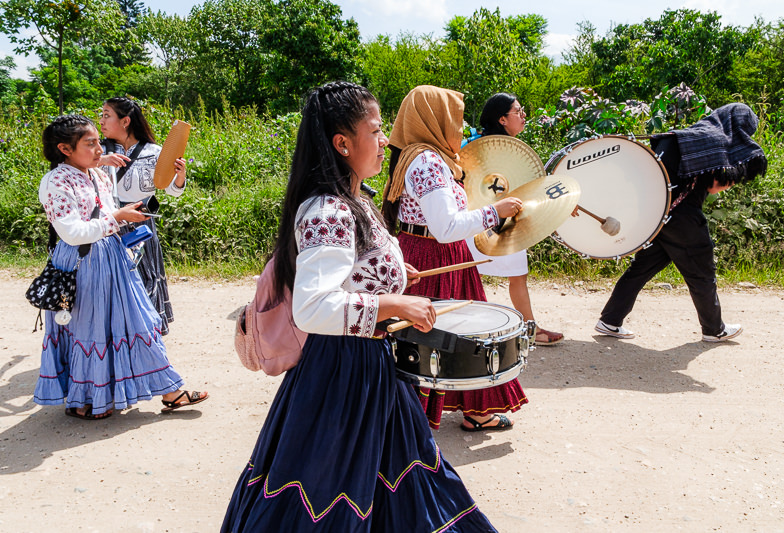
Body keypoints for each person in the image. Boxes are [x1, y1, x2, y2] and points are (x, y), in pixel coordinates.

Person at [221, 82, 498, 532]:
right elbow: (312, 308)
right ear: (342, 143)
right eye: (375, 130)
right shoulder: (328, 210)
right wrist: (394, 302)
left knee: (404, 482)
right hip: (340, 378)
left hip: (370, 371)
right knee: (328, 498)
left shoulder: (356, 200)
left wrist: (393, 271)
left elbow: (349, 272)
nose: (385, 139)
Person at [34, 115, 208, 420]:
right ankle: (84, 399)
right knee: (88, 330)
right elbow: (73, 233)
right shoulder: (55, 181)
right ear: (64, 148)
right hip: (81, 263)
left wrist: (126, 213)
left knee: (138, 322)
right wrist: (118, 218)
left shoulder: (98, 173)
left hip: (111, 257)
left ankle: (169, 389)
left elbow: (110, 210)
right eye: (90, 143)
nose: (99, 148)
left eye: (97, 140)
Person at [381, 85, 528, 432]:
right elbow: (446, 227)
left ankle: (457, 412)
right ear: (435, 120)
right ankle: (416, 421)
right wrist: (496, 211)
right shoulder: (429, 161)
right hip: (434, 254)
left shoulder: (419, 155)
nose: (462, 129)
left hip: (430, 250)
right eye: (457, 120)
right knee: (440, 335)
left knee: (446, 333)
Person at [595, 103, 767, 342]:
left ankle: (610, 320)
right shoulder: (716, 140)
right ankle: (714, 329)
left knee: (642, 268)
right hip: (683, 214)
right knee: (702, 270)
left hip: (656, 213)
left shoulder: (686, 135)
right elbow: (714, 186)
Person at [465, 92, 564, 346]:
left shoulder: (514, 150)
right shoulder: (476, 149)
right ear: (502, 119)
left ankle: (530, 329)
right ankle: (473, 330)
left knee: (518, 274)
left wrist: (562, 204)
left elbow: (528, 190)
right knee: (469, 275)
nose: (523, 117)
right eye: (517, 112)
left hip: (508, 223)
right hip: (476, 222)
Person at [98, 97, 187, 335]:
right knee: (112, 281)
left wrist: (179, 175)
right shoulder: (97, 150)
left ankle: (147, 332)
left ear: (125, 121)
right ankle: (117, 334)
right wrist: (100, 160)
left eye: (107, 115)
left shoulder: (155, 152)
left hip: (141, 223)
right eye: (102, 114)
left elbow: (170, 190)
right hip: (109, 224)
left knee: (146, 277)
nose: (101, 121)